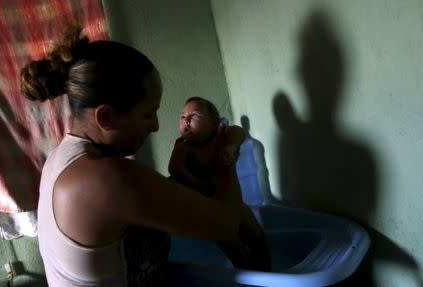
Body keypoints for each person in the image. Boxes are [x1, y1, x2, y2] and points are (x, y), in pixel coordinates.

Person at [20, 24, 259, 287]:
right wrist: (227, 153)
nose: (155, 126)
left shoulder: (61, 159)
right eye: (148, 114)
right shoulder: (107, 178)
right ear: (106, 117)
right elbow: (226, 224)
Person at [169, 97, 272, 271]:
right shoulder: (183, 147)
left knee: (255, 231)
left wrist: (230, 146)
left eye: (194, 115)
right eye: (182, 116)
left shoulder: (221, 136)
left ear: (214, 123)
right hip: (205, 206)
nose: (186, 120)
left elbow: (239, 132)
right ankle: (247, 272)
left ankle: (267, 271)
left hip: (229, 200)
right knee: (230, 242)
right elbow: (175, 169)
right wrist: (196, 183)